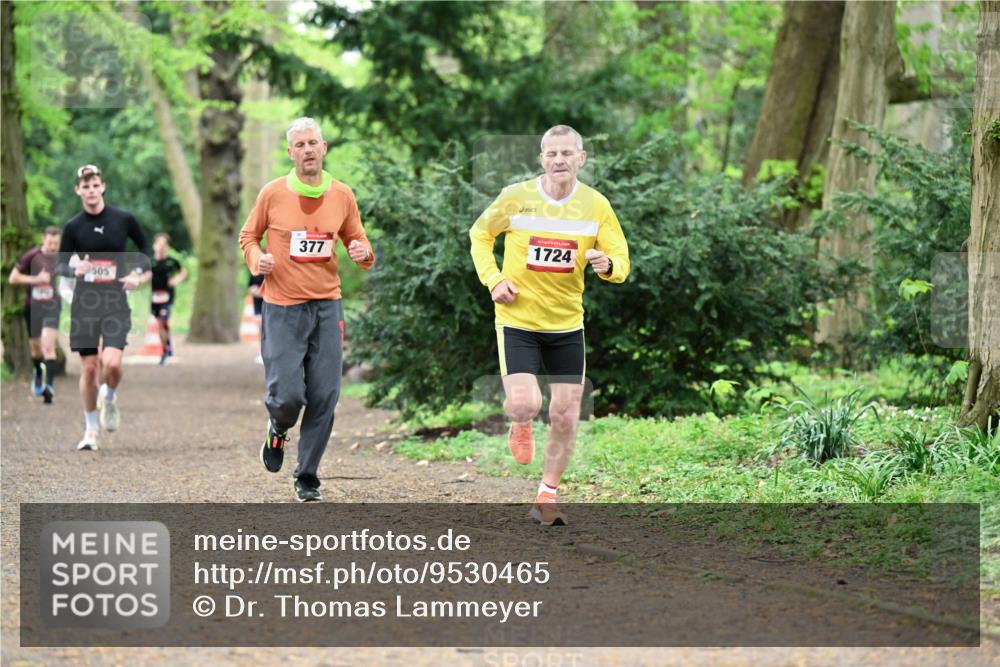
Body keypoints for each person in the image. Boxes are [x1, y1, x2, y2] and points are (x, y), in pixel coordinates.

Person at [469, 125, 630, 525]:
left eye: (566, 153)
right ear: (542, 159)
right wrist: (494, 279)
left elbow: (621, 258)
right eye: (551, 154)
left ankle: (547, 494)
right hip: (518, 318)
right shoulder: (516, 197)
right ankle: (520, 422)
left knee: (566, 412)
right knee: (526, 403)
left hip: (566, 323)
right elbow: (479, 235)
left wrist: (608, 266)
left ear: (581, 159)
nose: (559, 160)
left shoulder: (596, 206)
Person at [239, 117, 375, 502]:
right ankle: (278, 428)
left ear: (324, 147)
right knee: (288, 396)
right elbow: (249, 235)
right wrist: (257, 259)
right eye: (299, 145)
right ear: (290, 153)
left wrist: (363, 253)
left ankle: (307, 476)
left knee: (325, 394)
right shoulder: (273, 193)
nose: (308, 150)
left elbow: (356, 237)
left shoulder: (342, 195)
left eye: (313, 143)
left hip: (328, 306)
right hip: (282, 308)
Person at [57, 164, 151, 451]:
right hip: (85, 304)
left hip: (114, 302)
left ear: (103, 186)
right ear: (78, 190)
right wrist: (76, 268)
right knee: (88, 369)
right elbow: (60, 264)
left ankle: (109, 396)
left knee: (111, 364)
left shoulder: (123, 219)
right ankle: (90, 431)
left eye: (95, 185)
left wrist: (137, 275)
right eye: (85, 186)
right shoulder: (73, 227)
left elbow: (145, 251)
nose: (91, 190)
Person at [8, 226, 63, 404]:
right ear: (43, 239)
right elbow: (13, 278)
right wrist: (36, 280)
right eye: (50, 242)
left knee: (48, 345)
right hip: (33, 307)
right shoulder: (31, 256)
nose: (53, 246)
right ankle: (38, 373)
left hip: (52, 305)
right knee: (36, 349)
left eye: (56, 243)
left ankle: (49, 387)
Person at [149, 232, 187, 364]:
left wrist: (177, 280)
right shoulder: (150, 261)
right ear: (154, 245)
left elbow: (183, 272)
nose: (161, 246)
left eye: (164, 244)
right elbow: (142, 275)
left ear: (168, 246)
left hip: (167, 296)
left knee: (163, 320)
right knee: (160, 324)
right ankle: (167, 345)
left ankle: (165, 351)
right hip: (154, 297)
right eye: (159, 243)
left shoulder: (172, 261)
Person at [248, 255, 265, 364]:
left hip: (271, 303)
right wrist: (256, 292)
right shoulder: (255, 272)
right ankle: (262, 353)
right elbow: (250, 287)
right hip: (258, 304)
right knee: (260, 327)